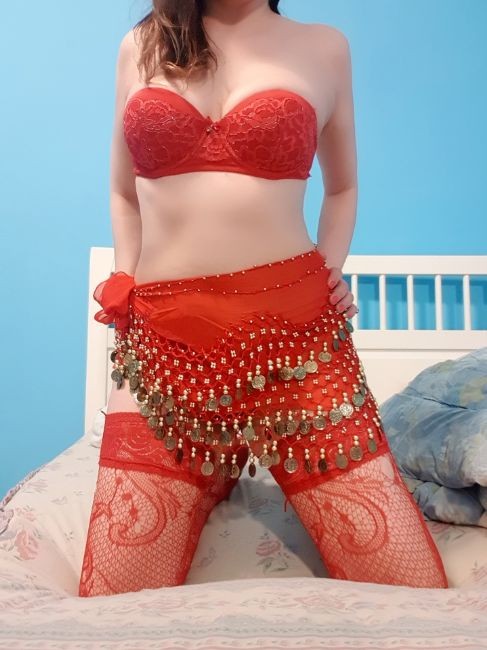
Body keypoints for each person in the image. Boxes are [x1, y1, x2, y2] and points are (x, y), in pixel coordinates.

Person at [78, 0, 448, 597]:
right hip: (163, 354)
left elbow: (344, 187)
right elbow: (123, 192)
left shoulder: (325, 46)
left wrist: (329, 269)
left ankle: (224, 465)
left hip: (298, 348)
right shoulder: (141, 46)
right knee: (107, 602)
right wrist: (124, 279)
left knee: (414, 587)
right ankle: (217, 470)